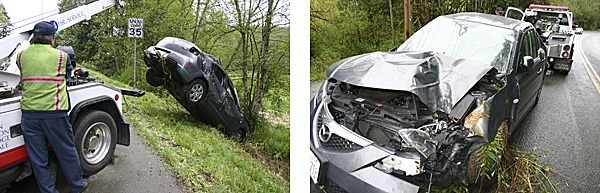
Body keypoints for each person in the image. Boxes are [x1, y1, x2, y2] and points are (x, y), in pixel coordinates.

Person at [17, 21, 87, 193]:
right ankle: (77, 186)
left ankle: (48, 191)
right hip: (55, 113)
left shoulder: (21, 56)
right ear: (51, 39)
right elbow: (68, 74)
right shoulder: (61, 57)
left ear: (34, 38)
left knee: (38, 159)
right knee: (66, 152)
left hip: (29, 114)